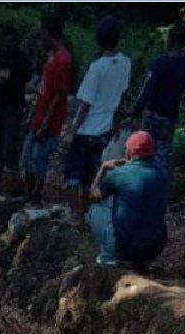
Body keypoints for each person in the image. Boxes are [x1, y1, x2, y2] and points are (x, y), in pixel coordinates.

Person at [63, 17, 131, 227]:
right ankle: (90, 216)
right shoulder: (125, 63)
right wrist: (117, 123)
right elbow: (123, 96)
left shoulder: (97, 67)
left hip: (87, 129)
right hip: (106, 130)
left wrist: (71, 130)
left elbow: (85, 105)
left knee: (73, 174)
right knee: (93, 175)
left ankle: (77, 215)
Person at [87, 131, 169, 267]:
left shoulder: (119, 174)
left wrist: (102, 169)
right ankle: (141, 261)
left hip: (126, 250)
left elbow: (93, 197)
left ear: (130, 152)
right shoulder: (162, 172)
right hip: (154, 249)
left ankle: (108, 256)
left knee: (96, 208)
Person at [128, 22, 185, 172]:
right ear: (184, 43)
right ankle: (158, 186)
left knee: (142, 151)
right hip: (170, 117)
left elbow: (147, 88)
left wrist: (135, 112)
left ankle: (140, 182)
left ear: (169, 40)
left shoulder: (159, 63)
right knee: (162, 155)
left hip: (152, 114)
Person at [21, 16, 73, 204]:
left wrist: (45, 123)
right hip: (39, 117)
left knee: (38, 161)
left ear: (49, 33)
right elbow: (45, 90)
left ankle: (35, 199)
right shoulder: (51, 57)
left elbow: (59, 95)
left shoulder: (64, 60)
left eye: (43, 33)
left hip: (49, 123)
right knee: (27, 160)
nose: (41, 38)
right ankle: (28, 197)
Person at [0, 24, 33, 191]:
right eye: (5, 41)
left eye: (10, 42)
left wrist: (11, 77)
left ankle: (12, 184)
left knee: (11, 146)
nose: (7, 45)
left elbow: (27, 79)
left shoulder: (22, 58)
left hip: (14, 106)